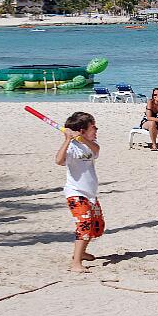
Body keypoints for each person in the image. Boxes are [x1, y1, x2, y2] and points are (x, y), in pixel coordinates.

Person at [55, 112, 104, 273]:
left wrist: (83, 140)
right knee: (84, 225)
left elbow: (97, 151)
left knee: (96, 226)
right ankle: (76, 263)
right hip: (75, 192)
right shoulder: (71, 147)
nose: (96, 129)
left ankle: (81, 252)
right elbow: (59, 161)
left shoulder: (90, 143)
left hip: (90, 193)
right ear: (82, 130)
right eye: (93, 127)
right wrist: (68, 139)